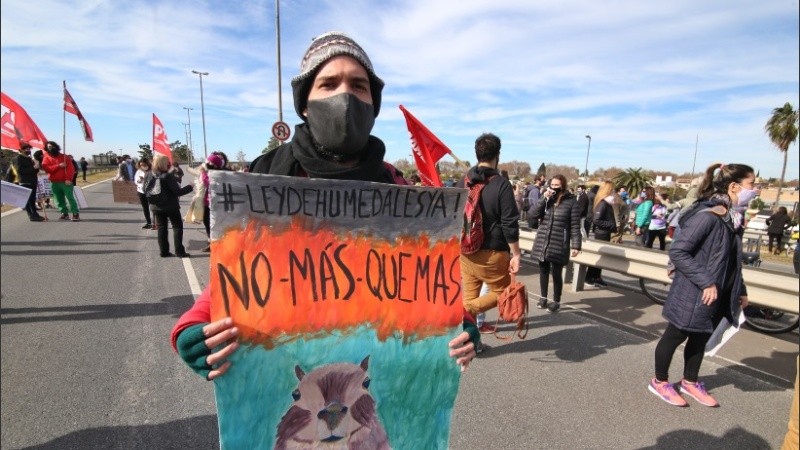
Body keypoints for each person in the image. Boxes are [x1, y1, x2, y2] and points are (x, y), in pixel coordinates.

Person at [171, 31, 476, 383]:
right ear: (304, 103)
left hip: (370, 378)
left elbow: (425, 279)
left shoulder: (397, 187)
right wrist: (194, 323)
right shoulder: (265, 175)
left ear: (373, 105)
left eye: (359, 86)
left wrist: (461, 323)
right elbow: (239, 272)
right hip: (285, 375)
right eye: (328, 84)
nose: (345, 95)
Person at [648, 162, 755, 408]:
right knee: (675, 336)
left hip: (718, 292)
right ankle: (660, 381)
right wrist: (706, 282)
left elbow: (731, 261)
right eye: (752, 185)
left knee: (699, 339)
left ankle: (690, 381)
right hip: (694, 291)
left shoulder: (733, 219)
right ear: (734, 186)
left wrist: (740, 290)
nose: (756, 190)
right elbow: (679, 251)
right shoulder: (709, 216)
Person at [460, 133, 522, 333]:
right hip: (492, 253)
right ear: (498, 155)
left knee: (470, 297)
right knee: (505, 292)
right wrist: (516, 254)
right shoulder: (501, 184)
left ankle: (470, 342)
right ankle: (464, 310)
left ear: (477, 154)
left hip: (466, 251)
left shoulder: (466, 181)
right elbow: (509, 222)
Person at [529, 174, 582, 312]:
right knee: (543, 270)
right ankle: (543, 298)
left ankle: (556, 300)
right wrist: (543, 199)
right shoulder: (547, 199)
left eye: (557, 186)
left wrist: (576, 245)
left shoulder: (571, 202)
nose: (553, 188)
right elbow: (532, 215)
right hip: (543, 240)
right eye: (551, 185)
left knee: (557, 273)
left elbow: (575, 225)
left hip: (559, 242)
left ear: (563, 186)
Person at [150, 154, 193, 257]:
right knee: (177, 227)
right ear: (164, 163)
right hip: (170, 206)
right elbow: (177, 192)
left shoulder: (149, 175)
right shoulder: (168, 176)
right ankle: (179, 251)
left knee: (162, 228)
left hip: (156, 206)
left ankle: (163, 251)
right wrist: (190, 186)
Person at [585, 181, 617, 287]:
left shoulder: (607, 203)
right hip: (601, 233)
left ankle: (596, 277)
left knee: (601, 257)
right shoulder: (603, 203)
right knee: (598, 257)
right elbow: (597, 220)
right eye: (612, 190)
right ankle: (590, 277)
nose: (614, 192)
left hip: (605, 232)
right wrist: (611, 224)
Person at [40, 141, 80, 221]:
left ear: (56, 147)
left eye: (52, 146)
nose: (51, 148)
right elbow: (47, 169)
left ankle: (75, 213)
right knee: (58, 199)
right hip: (54, 182)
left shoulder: (65, 157)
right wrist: (58, 166)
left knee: (70, 198)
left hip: (66, 182)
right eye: (49, 147)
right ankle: (64, 213)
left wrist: (69, 179)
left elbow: (71, 169)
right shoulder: (46, 158)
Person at [6, 143, 45, 222]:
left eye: (29, 149)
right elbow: (19, 171)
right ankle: (31, 215)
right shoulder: (18, 158)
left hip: (32, 181)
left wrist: (37, 167)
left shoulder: (29, 158)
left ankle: (35, 214)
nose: (28, 150)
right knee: (27, 199)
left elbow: (34, 171)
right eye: (26, 149)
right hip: (24, 181)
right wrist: (33, 168)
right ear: (21, 150)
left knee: (32, 199)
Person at [134, 158, 154, 229]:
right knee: (145, 208)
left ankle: (155, 223)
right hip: (141, 191)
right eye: (141, 165)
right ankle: (148, 223)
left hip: (151, 192)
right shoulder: (139, 171)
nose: (143, 166)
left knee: (153, 207)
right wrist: (140, 180)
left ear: (148, 164)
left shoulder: (152, 171)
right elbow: (135, 181)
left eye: (144, 165)